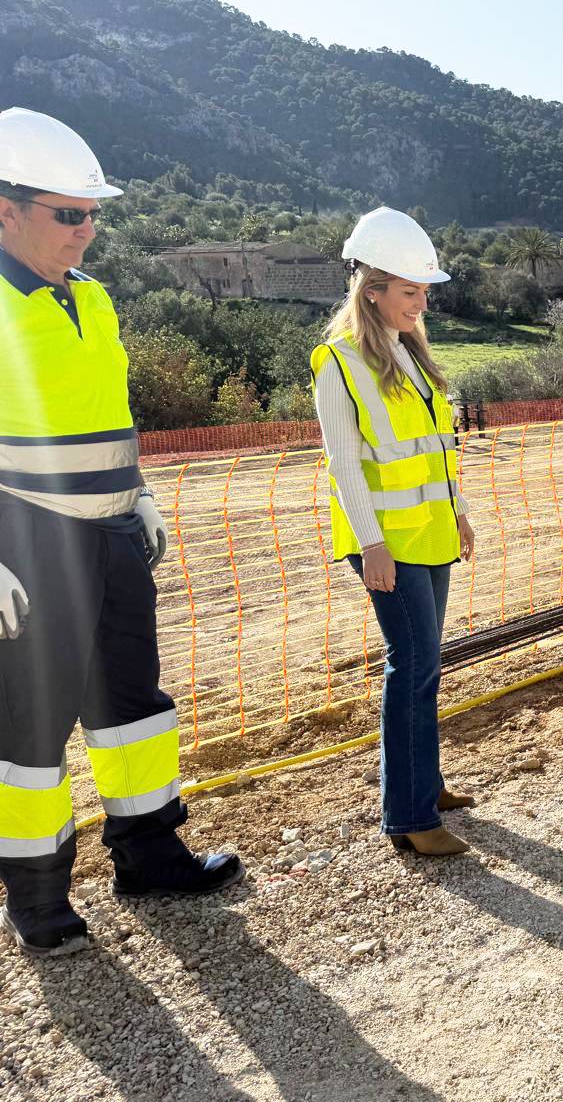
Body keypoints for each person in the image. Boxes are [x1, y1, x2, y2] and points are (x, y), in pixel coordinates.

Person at [0, 108, 242, 956]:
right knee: (31, 730)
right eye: (69, 213)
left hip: (109, 532)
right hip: (29, 539)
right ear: (7, 210)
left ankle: (147, 854)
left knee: (133, 707)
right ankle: (35, 898)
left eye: (93, 213)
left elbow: (106, 413)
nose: (87, 230)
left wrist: (137, 492)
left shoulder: (94, 301)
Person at [312, 207, 478, 855]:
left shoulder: (411, 354)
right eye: (410, 291)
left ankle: (425, 784)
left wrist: (458, 510)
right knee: (411, 666)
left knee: (426, 666)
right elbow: (343, 461)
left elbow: (440, 447)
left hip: (431, 532)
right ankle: (409, 818)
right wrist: (369, 543)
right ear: (371, 290)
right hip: (386, 543)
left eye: (424, 291)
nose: (422, 302)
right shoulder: (339, 361)